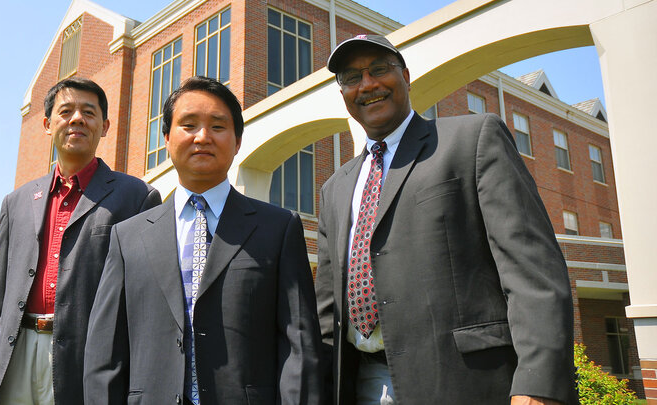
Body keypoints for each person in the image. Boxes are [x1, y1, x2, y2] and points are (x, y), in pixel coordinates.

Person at [315, 35, 577, 405]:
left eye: (379, 69)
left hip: (466, 382)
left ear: (406, 75)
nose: (368, 84)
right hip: (362, 383)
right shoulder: (334, 188)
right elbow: (328, 313)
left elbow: (532, 271)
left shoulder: (471, 139)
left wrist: (538, 383)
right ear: (342, 92)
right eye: (351, 76)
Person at [83, 76, 322, 405]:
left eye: (218, 126)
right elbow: (105, 355)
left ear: (238, 141)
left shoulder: (278, 229)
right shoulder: (128, 237)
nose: (203, 137)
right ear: (166, 138)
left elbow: (300, 347)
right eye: (189, 124)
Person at [0, 77, 162, 405]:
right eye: (66, 111)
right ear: (47, 124)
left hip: (88, 360)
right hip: (15, 354)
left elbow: (145, 303)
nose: (76, 119)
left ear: (105, 126)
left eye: (88, 112)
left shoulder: (137, 198)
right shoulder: (16, 202)